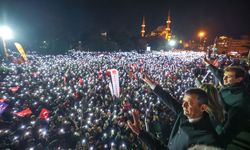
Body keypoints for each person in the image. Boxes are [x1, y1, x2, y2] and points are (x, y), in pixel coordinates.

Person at [127, 73, 219, 150]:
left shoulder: (207, 140)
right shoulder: (186, 115)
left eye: (189, 103)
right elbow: (169, 100)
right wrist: (140, 133)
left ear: (203, 106)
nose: (183, 106)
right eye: (184, 102)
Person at [203, 57, 250, 147]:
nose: (224, 79)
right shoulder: (231, 83)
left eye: (228, 76)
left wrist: (215, 141)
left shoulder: (241, 100)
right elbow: (219, 74)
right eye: (224, 75)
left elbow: (230, 127)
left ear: (239, 79)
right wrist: (209, 65)